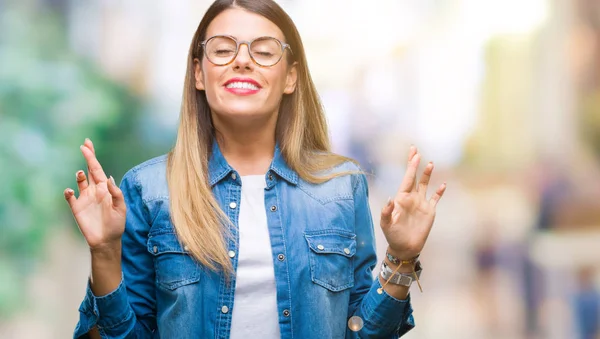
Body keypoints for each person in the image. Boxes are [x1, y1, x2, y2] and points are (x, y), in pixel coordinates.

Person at [64, 0, 446, 338]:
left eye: (264, 51)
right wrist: (104, 252)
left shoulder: (341, 188)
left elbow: (362, 334)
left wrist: (401, 256)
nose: (242, 60)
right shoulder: (148, 190)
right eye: (222, 49)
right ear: (199, 74)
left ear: (290, 77)